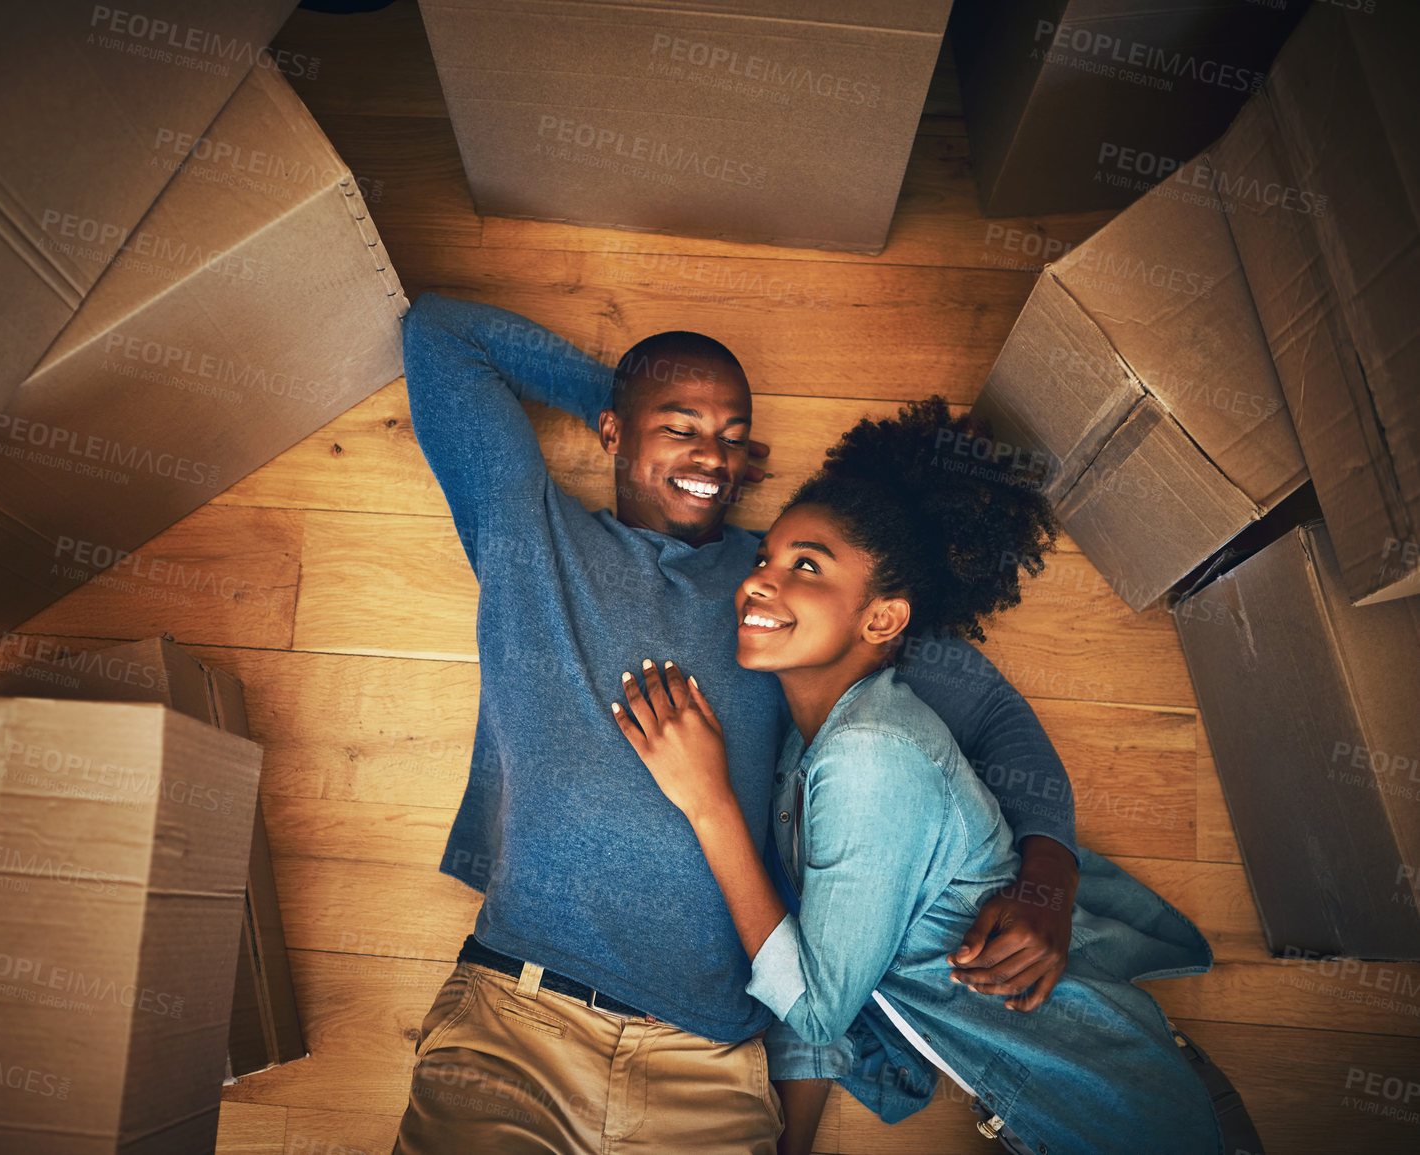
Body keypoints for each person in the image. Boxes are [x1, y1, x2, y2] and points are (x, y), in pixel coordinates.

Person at [392, 293, 1084, 1153]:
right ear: (612, 431)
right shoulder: (527, 535)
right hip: (518, 1020)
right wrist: (629, 397)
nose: (710, 456)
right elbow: (438, 334)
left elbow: (993, 714)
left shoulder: (789, 599)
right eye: (681, 427)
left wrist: (1047, 877)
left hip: (708, 1061)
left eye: (730, 433)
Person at [611, 399, 1228, 1154]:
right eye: (764, 558)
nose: (759, 581)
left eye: (804, 563)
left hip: (1109, 1108)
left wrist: (1045, 877)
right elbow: (823, 957)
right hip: (1056, 1091)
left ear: (884, 616)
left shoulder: (884, 723)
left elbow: (1008, 734)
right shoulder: (807, 742)